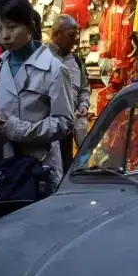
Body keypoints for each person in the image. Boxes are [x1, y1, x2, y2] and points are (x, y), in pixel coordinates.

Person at [0, 0, 73, 193]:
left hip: (39, 168)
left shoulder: (53, 68)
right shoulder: (2, 64)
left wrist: (19, 130)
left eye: (11, 27)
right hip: (6, 165)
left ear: (29, 26)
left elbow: (64, 123)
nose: (5, 36)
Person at [49, 14, 91, 167]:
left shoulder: (77, 61)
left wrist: (84, 105)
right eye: (71, 35)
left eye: (76, 35)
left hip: (72, 124)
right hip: (51, 128)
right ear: (57, 33)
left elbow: (84, 88)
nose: (75, 39)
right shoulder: (43, 59)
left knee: (70, 163)